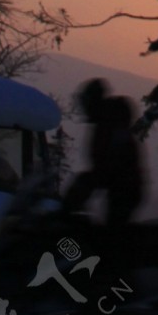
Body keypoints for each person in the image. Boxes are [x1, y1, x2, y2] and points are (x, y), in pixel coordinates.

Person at [63, 79, 145, 239]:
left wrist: (85, 185)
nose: (83, 107)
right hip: (120, 188)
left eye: (86, 101)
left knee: (112, 237)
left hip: (125, 190)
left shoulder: (110, 126)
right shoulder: (105, 124)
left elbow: (111, 165)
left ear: (93, 101)